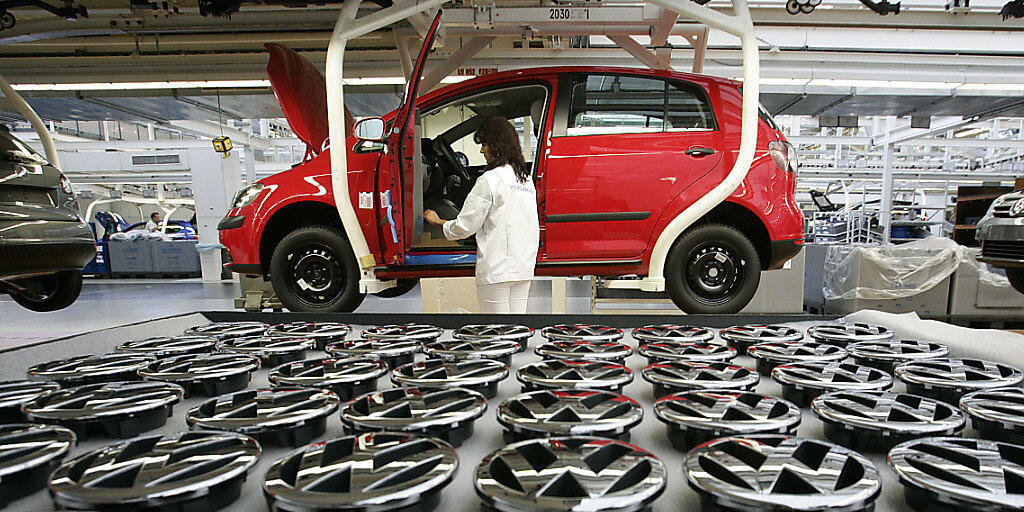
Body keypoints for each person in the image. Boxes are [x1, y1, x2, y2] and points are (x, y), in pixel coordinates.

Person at [424, 116, 539, 314]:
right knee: (517, 327)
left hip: (497, 270)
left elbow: (465, 227)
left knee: (496, 332)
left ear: (496, 145)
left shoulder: (490, 180)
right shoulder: (525, 180)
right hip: (523, 267)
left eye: (484, 144)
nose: (481, 150)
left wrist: (437, 222)